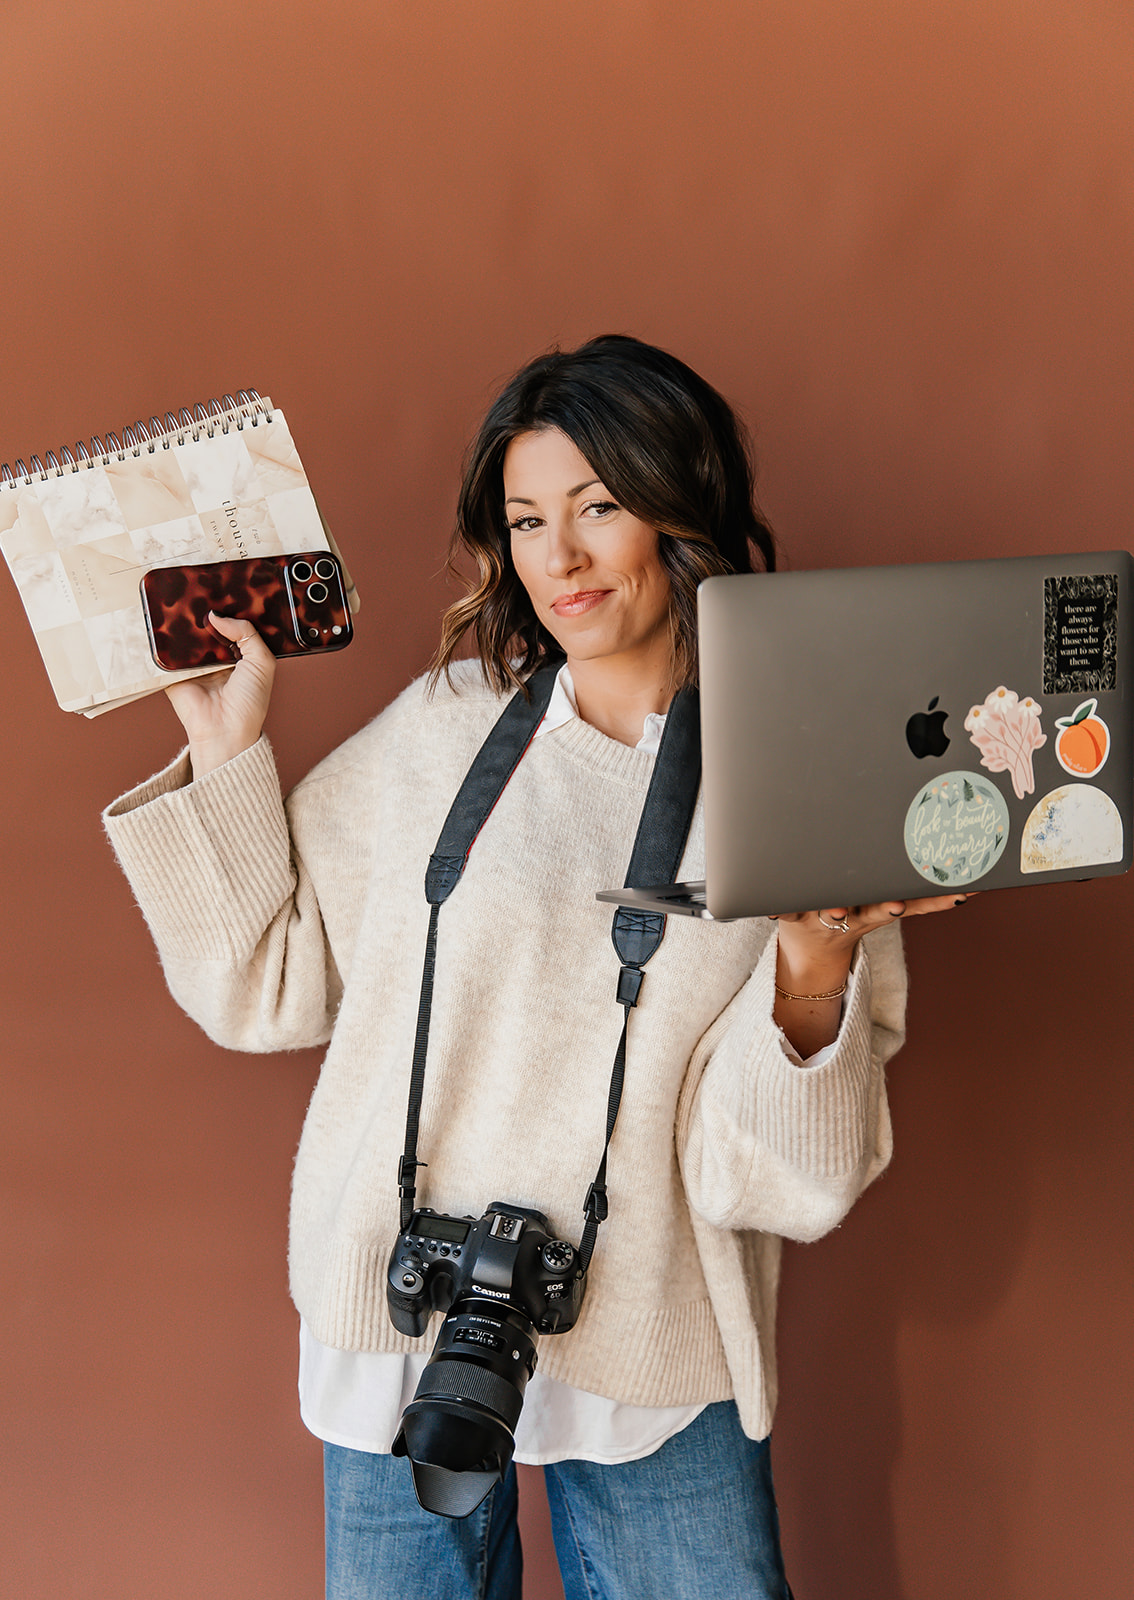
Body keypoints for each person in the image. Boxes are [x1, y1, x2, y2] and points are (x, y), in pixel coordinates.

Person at [104, 335, 965, 1600]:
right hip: (406, 1333)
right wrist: (233, 750)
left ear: (682, 508)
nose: (556, 558)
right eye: (523, 520)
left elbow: (779, 1178)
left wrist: (813, 961)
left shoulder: (807, 781)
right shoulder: (444, 726)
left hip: (654, 1335)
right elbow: (264, 985)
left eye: (598, 508)